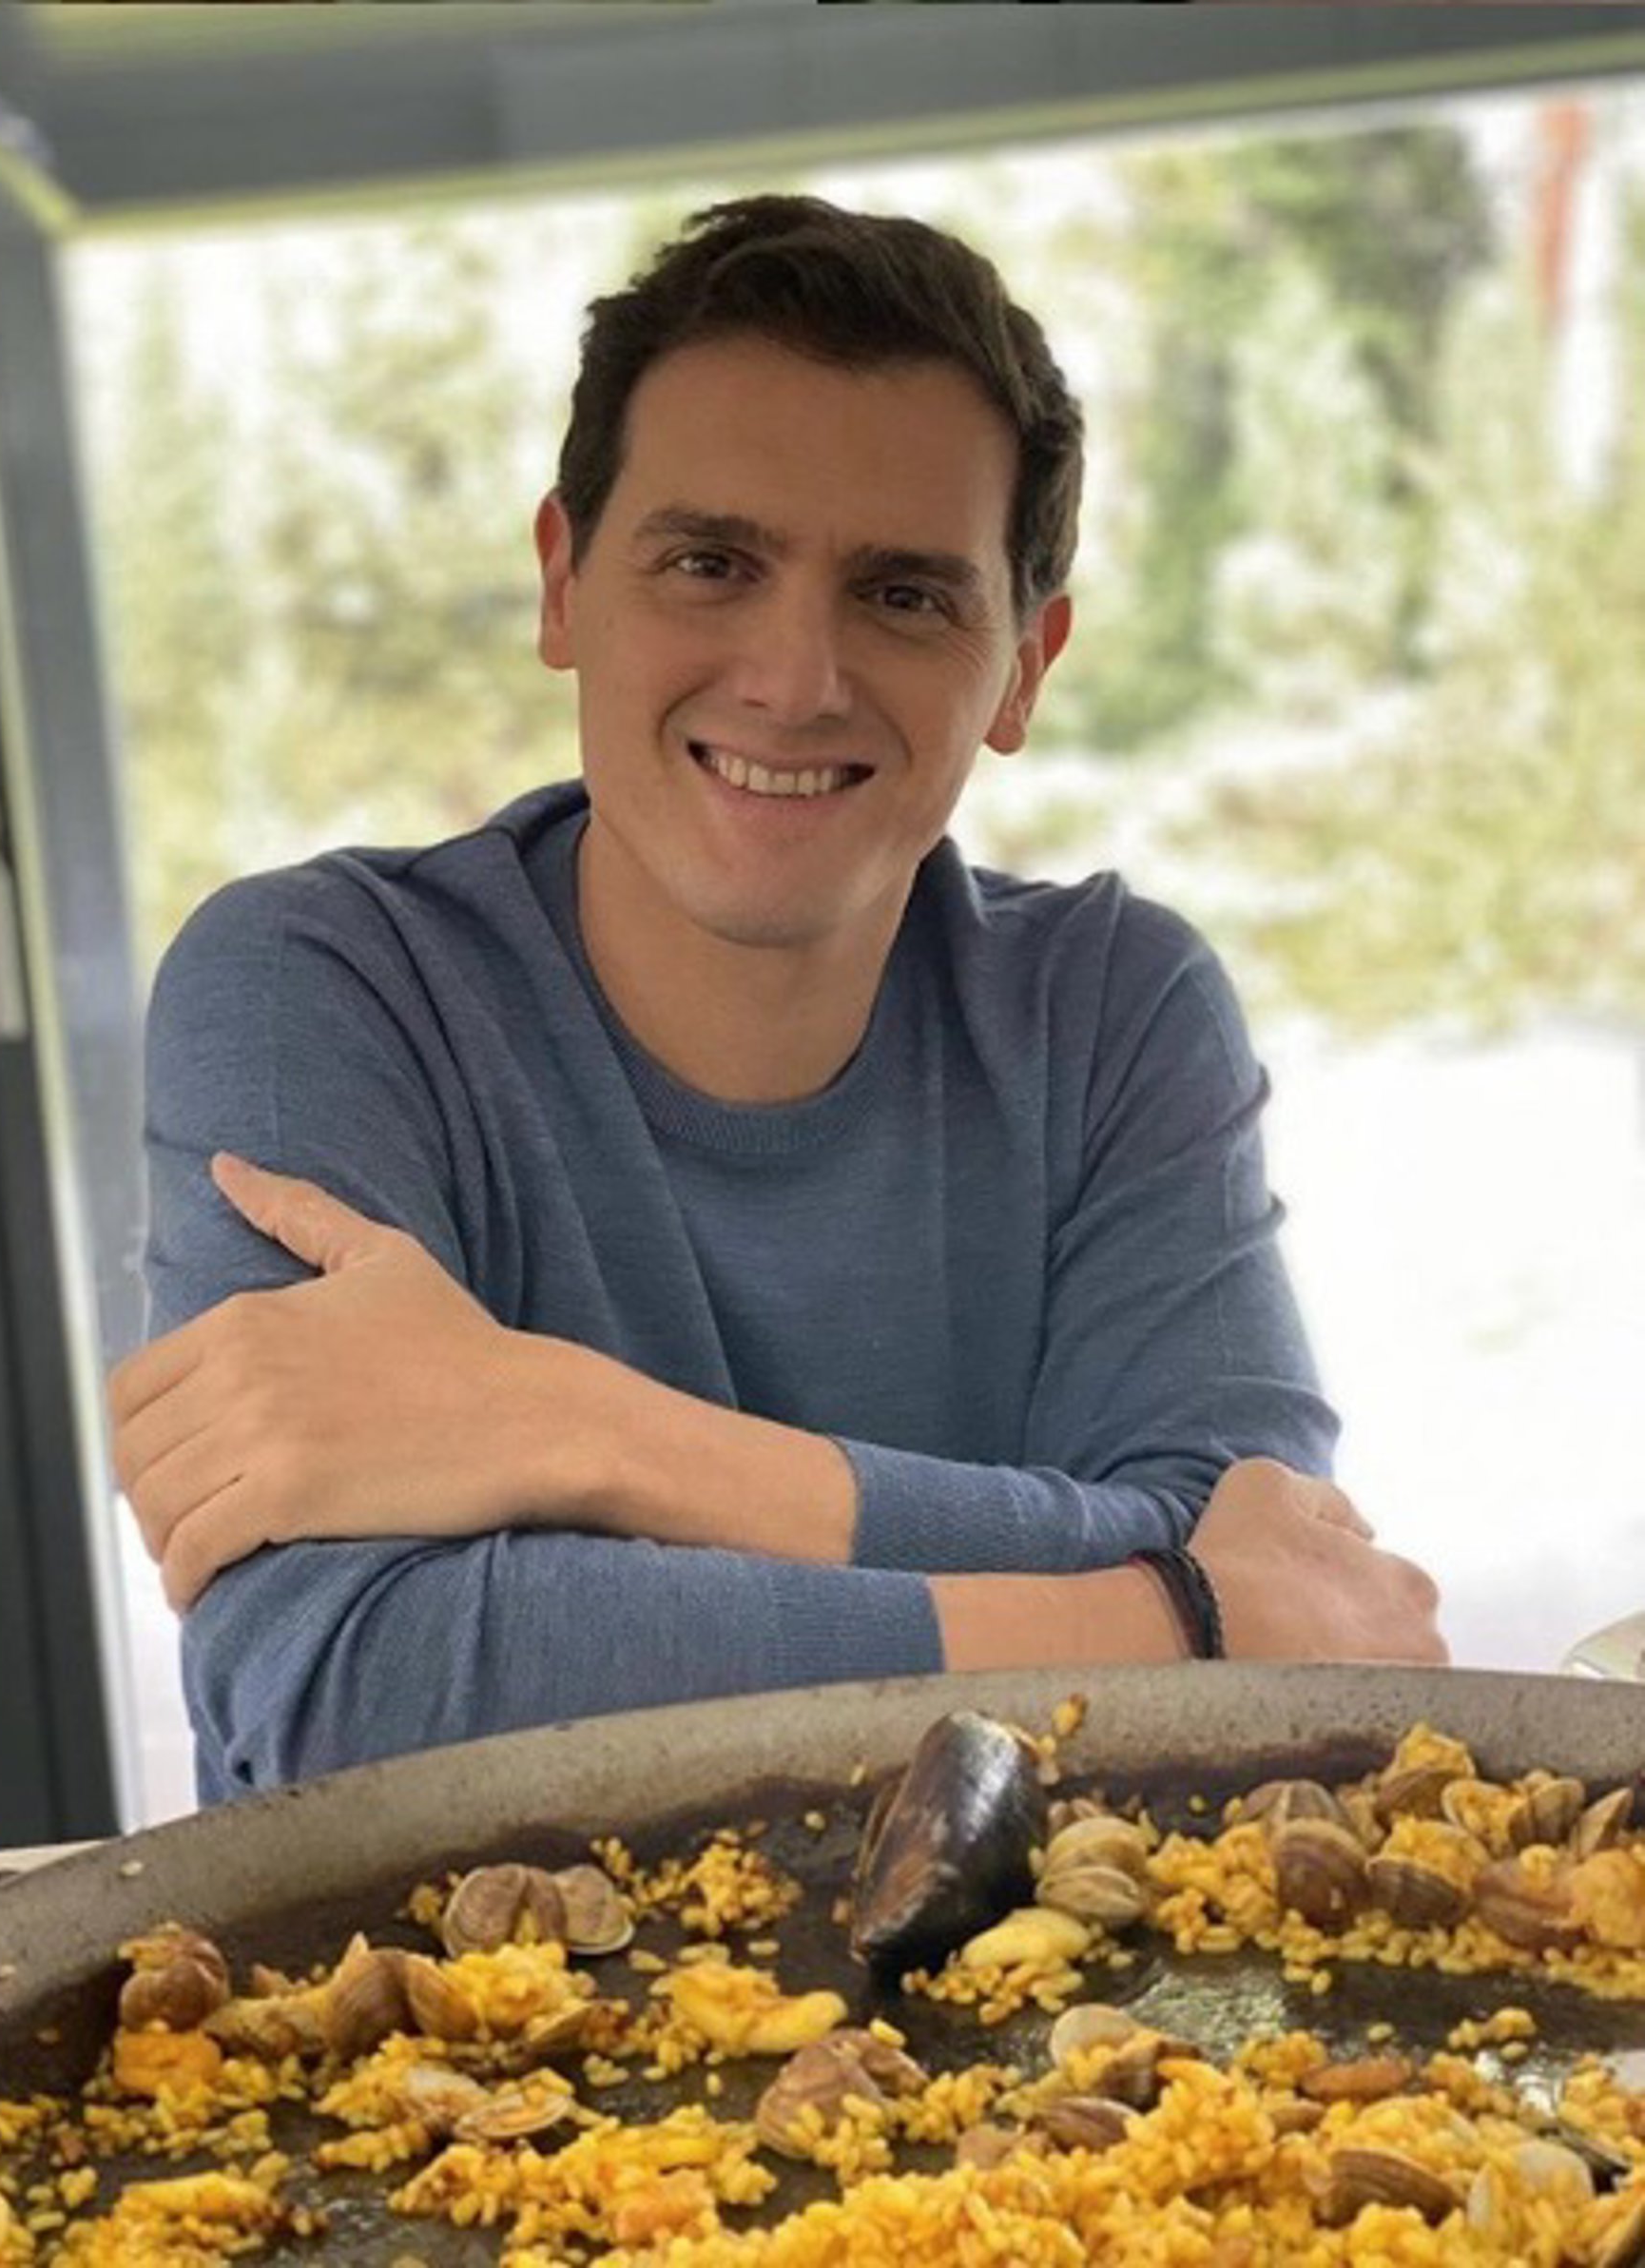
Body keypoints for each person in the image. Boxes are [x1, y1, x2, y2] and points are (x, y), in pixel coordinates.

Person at [109, 196, 1446, 1803]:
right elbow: (354, 1694)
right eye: (710, 563)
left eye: (903, 595)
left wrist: (594, 1432)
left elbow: (1276, 1566)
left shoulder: (1112, 1009)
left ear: (1024, 667)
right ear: (564, 582)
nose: (794, 678)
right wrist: (1163, 1621)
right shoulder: (318, 985)